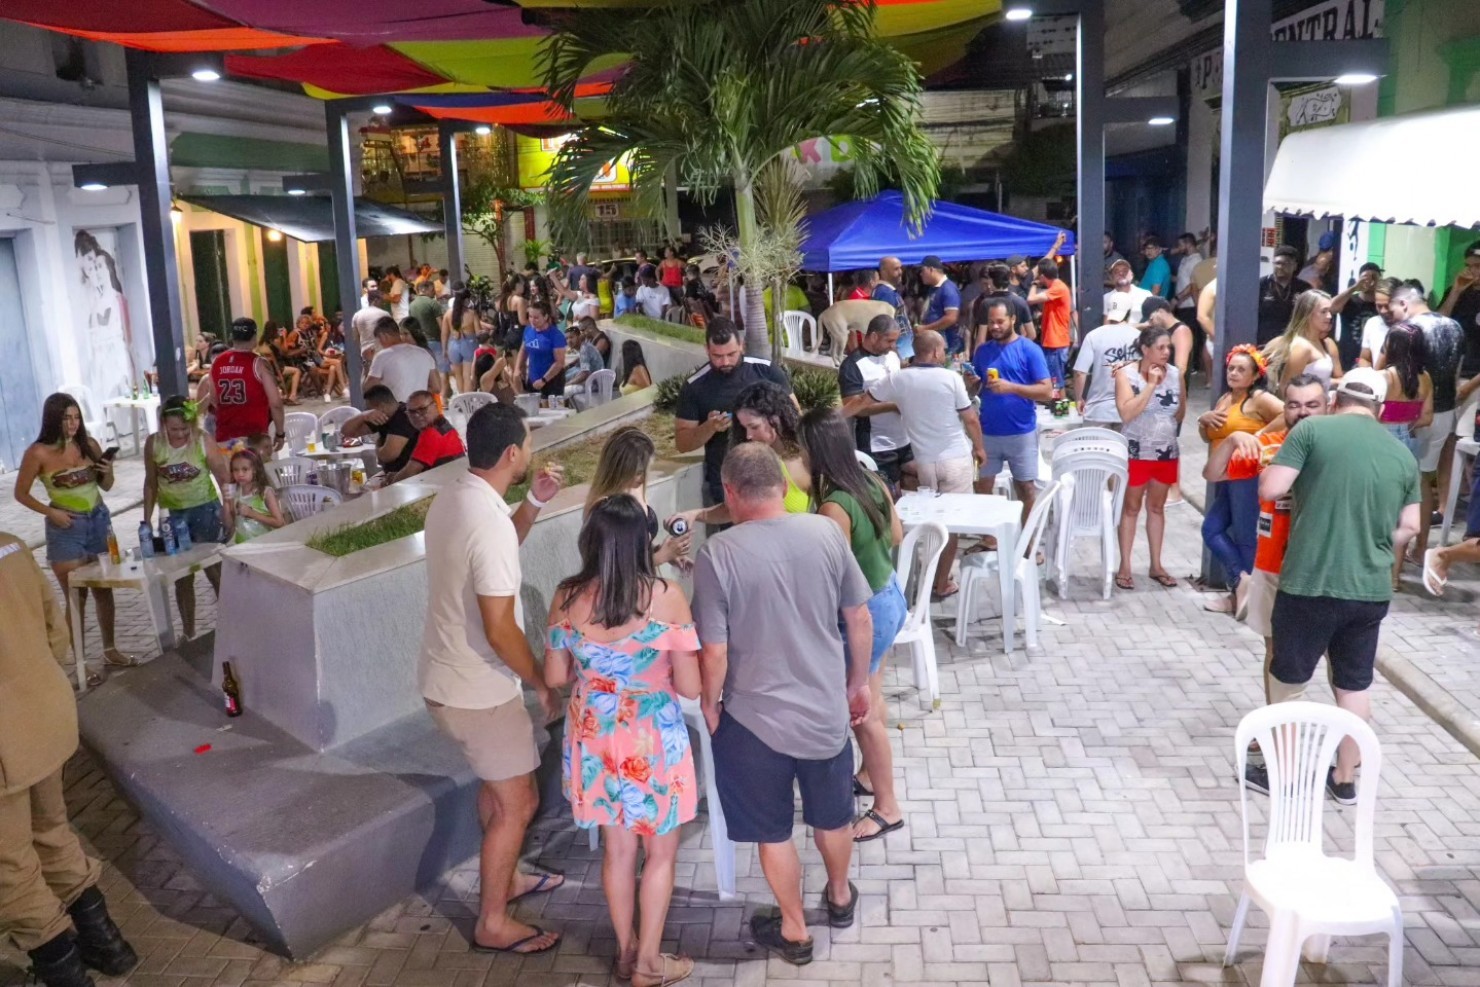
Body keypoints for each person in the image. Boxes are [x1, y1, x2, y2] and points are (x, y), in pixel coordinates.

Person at [692, 443, 872, 966]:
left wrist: (709, 703)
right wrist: (858, 683)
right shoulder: (825, 532)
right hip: (824, 709)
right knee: (833, 817)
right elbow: (859, 618)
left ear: (730, 492)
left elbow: (715, 651)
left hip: (753, 720)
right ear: (782, 484)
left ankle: (794, 930)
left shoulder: (717, 555)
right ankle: (840, 896)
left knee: (773, 830)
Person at [419, 403, 566, 955]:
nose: (530, 452)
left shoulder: (456, 496)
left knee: (498, 789)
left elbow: (495, 548)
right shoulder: (487, 522)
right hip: (478, 692)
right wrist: (542, 681)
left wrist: (534, 503)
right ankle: (493, 921)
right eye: (528, 444)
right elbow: (501, 627)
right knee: (518, 804)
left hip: (446, 679)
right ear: (511, 454)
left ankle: (507, 880)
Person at [543, 495, 697, 987]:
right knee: (661, 853)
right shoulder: (666, 596)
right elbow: (691, 686)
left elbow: (555, 676)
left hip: (593, 736)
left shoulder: (566, 596)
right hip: (651, 737)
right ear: (641, 543)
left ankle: (627, 952)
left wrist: (597, 676)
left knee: (617, 851)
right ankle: (649, 963)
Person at [1257, 368, 1421, 803]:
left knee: (1289, 681)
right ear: (1379, 409)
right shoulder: (1401, 454)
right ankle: (1345, 779)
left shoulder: (1311, 431)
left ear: (1335, 400)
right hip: (1369, 589)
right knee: (1354, 685)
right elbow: (1411, 526)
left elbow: (1272, 488)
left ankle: (1284, 776)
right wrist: (1375, 538)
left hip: (1310, 581)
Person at [0, 526, 139, 987]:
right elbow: (54, 630)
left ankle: (62, 970)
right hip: (45, 714)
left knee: (9, 865)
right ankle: (107, 944)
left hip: (5, 742)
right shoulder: (9, 544)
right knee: (52, 830)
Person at [798, 409, 907, 843]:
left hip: (864, 615)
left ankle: (887, 807)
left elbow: (834, 580)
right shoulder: (870, 480)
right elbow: (896, 536)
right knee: (872, 699)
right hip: (890, 596)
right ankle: (867, 776)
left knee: (861, 712)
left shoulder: (833, 506)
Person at [1202, 375, 1328, 742]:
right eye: (1294, 405)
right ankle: (1276, 730)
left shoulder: (1335, 450)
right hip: (1271, 567)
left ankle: (1345, 744)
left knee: (1334, 658)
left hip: (1321, 570)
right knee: (1274, 651)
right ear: (1284, 408)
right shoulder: (1270, 445)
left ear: (1328, 406)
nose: (1302, 412)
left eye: (1312, 405)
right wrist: (1232, 440)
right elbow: (1212, 473)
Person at [859, 329, 986, 599]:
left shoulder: (898, 378)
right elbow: (971, 419)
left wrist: (835, 417)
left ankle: (927, 574)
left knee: (932, 520)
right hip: (955, 459)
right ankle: (941, 582)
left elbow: (862, 401)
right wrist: (979, 448)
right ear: (937, 351)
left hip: (926, 464)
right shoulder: (950, 378)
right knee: (951, 525)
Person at [13, 393, 132, 674]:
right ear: (53, 419)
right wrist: (50, 511)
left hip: (98, 521)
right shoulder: (38, 452)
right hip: (66, 528)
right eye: (66, 418)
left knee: (104, 589)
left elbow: (107, 486)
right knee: (76, 596)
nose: (72, 423)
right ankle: (78, 664)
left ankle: (110, 649)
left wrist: (107, 470)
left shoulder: (88, 445)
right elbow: (20, 493)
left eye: (76, 417)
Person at [1196, 346, 1283, 614]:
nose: (1233, 373)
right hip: (1225, 476)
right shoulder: (1225, 399)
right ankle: (1241, 583)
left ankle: (1247, 599)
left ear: (1255, 375)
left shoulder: (1259, 399)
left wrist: (1258, 437)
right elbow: (1209, 436)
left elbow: (1286, 414)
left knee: (1246, 537)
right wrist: (1202, 420)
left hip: (1247, 476)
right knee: (1211, 529)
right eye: (1231, 368)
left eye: (1241, 369)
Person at [673, 318, 793, 509]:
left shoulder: (766, 370)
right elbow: (682, 443)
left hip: (774, 475)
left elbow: (795, 417)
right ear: (706, 350)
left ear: (741, 346)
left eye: (731, 354)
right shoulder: (694, 387)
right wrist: (709, 427)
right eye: (717, 356)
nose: (725, 362)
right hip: (728, 484)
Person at [142, 396, 230, 638]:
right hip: (172, 516)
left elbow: (223, 477)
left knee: (216, 571)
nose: (180, 434)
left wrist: (228, 509)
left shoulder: (202, 440)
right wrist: (146, 518)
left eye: (184, 428)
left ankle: (231, 625)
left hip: (205, 511)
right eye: (174, 429)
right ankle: (188, 632)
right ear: (163, 424)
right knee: (181, 576)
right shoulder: (154, 444)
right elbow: (151, 482)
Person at [1390, 283, 1465, 562]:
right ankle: (1420, 548)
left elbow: (1403, 373)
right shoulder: (1455, 326)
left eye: (1393, 310)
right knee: (1424, 476)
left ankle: (1397, 552)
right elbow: (1456, 371)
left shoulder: (1410, 329)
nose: (1391, 316)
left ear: (1404, 304)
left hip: (1412, 411)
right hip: (1445, 409)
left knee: (1408, 483)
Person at [674, 382, 812, 526]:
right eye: (744, 428)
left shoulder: (806, 458)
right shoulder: (756, 462)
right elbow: (732, 510)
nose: (748, 435)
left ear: (775, 419)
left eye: (754, 427)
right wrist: (695, 514)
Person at [1113, 324, 1184, 591]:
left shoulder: (1175, 374)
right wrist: (1151, 385)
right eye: (1160, 347)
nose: (1166, 352)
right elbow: (1126, 413)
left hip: (1165, 451)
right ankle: (1125, 566)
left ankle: (1156, 565)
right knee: (1131, 507)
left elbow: (1180, 411)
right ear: (1145, 349)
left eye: (1169, 348)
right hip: (1136, 451)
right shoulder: (1126, 374)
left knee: (1156, 507)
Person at [970, 298, 1053, 520]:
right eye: (991, 322)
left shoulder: (1030, 350)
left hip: (1021, 432)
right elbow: (976, 389)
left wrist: (1012, 387)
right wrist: (971, 384)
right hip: (987, 432)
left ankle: (1027, 538)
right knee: (981, 487)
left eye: (1000, 321)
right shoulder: (982, 351)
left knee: (1026, 489)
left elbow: (1047, 391)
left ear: (1013, 319)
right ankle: (990, 535)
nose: (995, 327)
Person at [583, 427, 692, 568]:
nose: (644, 478)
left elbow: (637, 548)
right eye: (639, 472)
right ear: (622, 469)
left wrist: (663, 551)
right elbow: (615, 568)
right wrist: (663, 556)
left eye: (647, 470)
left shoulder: (635, 487)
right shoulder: (603, 508)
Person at [1375, 322, 1432, 586]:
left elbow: (1370, 411)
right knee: (1402, 512)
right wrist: (1406, 425)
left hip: (1381, 443)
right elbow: (1427, 417)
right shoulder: (1426, 378)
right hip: (1409, 445)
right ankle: (1394, 577)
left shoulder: (1385, 377)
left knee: (1378, 510)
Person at [838, 315, 910, 487]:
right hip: (877, 445)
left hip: (905, 439)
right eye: (889, 341)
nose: (893, 346)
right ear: (874, 336)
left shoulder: (892, 356)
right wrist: (893, 406)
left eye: (895, 341)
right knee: (887, 492)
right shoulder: (852, 366)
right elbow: (854, 407)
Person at [200, 317, 285, 456]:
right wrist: (280, 433)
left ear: (232, 337)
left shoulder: (218, 362)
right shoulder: (259, 363)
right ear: (254, 337)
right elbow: (275, 403)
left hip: (225, 437)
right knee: (257, 469)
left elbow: (214, 399)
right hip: (255, 438)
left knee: (231, 469)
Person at [1437, 240, 1480, 445]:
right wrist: (1455, 291)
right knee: (1445, 437)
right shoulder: (1457, 292)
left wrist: (1469, 386)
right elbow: (1437, 325)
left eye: (1477, 266)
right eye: (1468, 265)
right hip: (1450, 375)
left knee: (1466, 440)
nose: (1472, 271)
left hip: (1474, 379)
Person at [1072, 311, 1143, 426]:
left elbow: (1080, 372)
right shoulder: (1139, 336)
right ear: (1129, 312)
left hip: (1098, 410)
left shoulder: (1094, 335)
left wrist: (1078, 399)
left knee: (1094, 438)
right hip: (1130, 408)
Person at [1263, 289, 1340, 391]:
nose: (1329, 316)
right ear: (1307, 313)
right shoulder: (1302, 347)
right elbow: (1285, 389)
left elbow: (1330, 379)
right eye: (1323, 311)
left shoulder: (1326, 343)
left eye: (1330, 311)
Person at [388, 391, 466, 484]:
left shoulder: (431, 434)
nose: (417, 415)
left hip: (447, 485)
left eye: (422, 409)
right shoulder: (442, 423)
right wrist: (397, 475)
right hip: (455, 480)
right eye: (412, 412)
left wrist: (389, 483)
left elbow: (410, 472)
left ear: (435, 406)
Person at [341, 385, 420, 478]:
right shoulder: (383, 416)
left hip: (409, 475)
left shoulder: (403, 418)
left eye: (369, 409)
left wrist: (377, 445)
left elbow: (388, 455)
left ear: (381, 406)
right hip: (392, 473)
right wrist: (363, 416)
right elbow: (347, 432)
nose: (368, 411)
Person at [364, 317, 438, 404]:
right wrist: (416, 391)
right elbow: (436, 388)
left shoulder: (382, 356)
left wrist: (368, 361)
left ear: (384, 336)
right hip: (419, 407)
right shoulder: (424, 353)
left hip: (396, 408)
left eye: (378, 339)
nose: (379, 343)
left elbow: (368, 389)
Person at [1028, 257, 1074, 395]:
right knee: (1054, 377)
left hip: (1056, 341)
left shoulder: (1058, 288)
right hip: (1052, 339)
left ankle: (1061, 405)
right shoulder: (1055, 288)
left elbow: (1030, 299)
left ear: (1042, 276)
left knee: (1057, 379)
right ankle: (1057, 403)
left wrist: (1034, 284)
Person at [222, 449, 286, 545]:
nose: (240, 474)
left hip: (265, 544)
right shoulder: (236, 493)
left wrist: (251, 513)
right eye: (236, 470)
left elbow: (280, 523)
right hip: (242, 544)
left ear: (254, 470)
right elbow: (229, 525)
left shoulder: (265, 492)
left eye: (245, 469)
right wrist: (226, 502)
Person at [1330, 262, 1383, 370]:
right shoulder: (1349, 301)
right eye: (1366, 278)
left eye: (1374, 277)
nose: (1370, 282)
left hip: (1372, 361)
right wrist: (1354, 287)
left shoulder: (1382, 305)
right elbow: (1330, 308)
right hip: (1346, 360)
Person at [1256, 245, 1312, 346]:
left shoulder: (1304, 288)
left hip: (1293, 342)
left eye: (1286, 264)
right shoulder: (1261, 285)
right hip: (1264, 342)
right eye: (1277, 263)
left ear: (1294, 266)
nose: (1280, 267)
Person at [515, 300, 567, 399]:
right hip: (533, 379)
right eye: (530, 316)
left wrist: (544, 380)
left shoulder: (556, 335)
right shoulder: (528, 330)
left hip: (552, 381)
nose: (532, 320)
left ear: (546, 317)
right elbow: (523, 349)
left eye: (536, 318)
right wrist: (518, 368)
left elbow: (559, 363)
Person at [978, 264, 1036, 345]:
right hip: (1015, 349)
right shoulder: (1020, 301)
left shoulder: (986, 303)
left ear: (992, 281)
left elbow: (981, 339)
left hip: (993, 350)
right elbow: (1032, 334)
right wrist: (1018, 347)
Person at [916, 255, 962, 355]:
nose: (921, 274)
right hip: (936, 343)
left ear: (931, 269)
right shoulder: (934, 288)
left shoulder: (948, 289)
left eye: (922, 270)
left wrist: (926, 328)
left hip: (947, 345)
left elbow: (951, 318)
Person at [439, 282, 479, 396]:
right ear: (466, 300)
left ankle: (461, 398)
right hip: (469, 343)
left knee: (458, 375)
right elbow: (478, 332)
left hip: (453, 344)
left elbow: (444, 333)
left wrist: (444, 350)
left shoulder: (448, 314)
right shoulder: (472, 313)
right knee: (467, 375)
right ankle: (468, 399)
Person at [872, 256, 913, 362]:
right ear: (884, 271)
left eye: (900, 268)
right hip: (898, 354)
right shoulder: (885, 294)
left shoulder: (889, 292)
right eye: (896, 269)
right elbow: (885, 329)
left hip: (903, 352)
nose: (900, 272)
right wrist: (897, 358)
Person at [1358, 277, 1402, 367]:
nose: (1383, 311)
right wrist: (1367, 372)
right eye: (1379, 306)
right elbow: (1364, 359)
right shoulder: (1372, 324)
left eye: (1387, 306)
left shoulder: (1412, 327)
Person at [1103, 258, 1151, 326]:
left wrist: (1130, 327)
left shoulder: (1145, 294)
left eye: (1125, 271)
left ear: (1132, 275)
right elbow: (1106, 325)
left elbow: (1152, 322)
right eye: (1116, 272)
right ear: (1111, 277)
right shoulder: (1107, 297)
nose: (1121, 273)